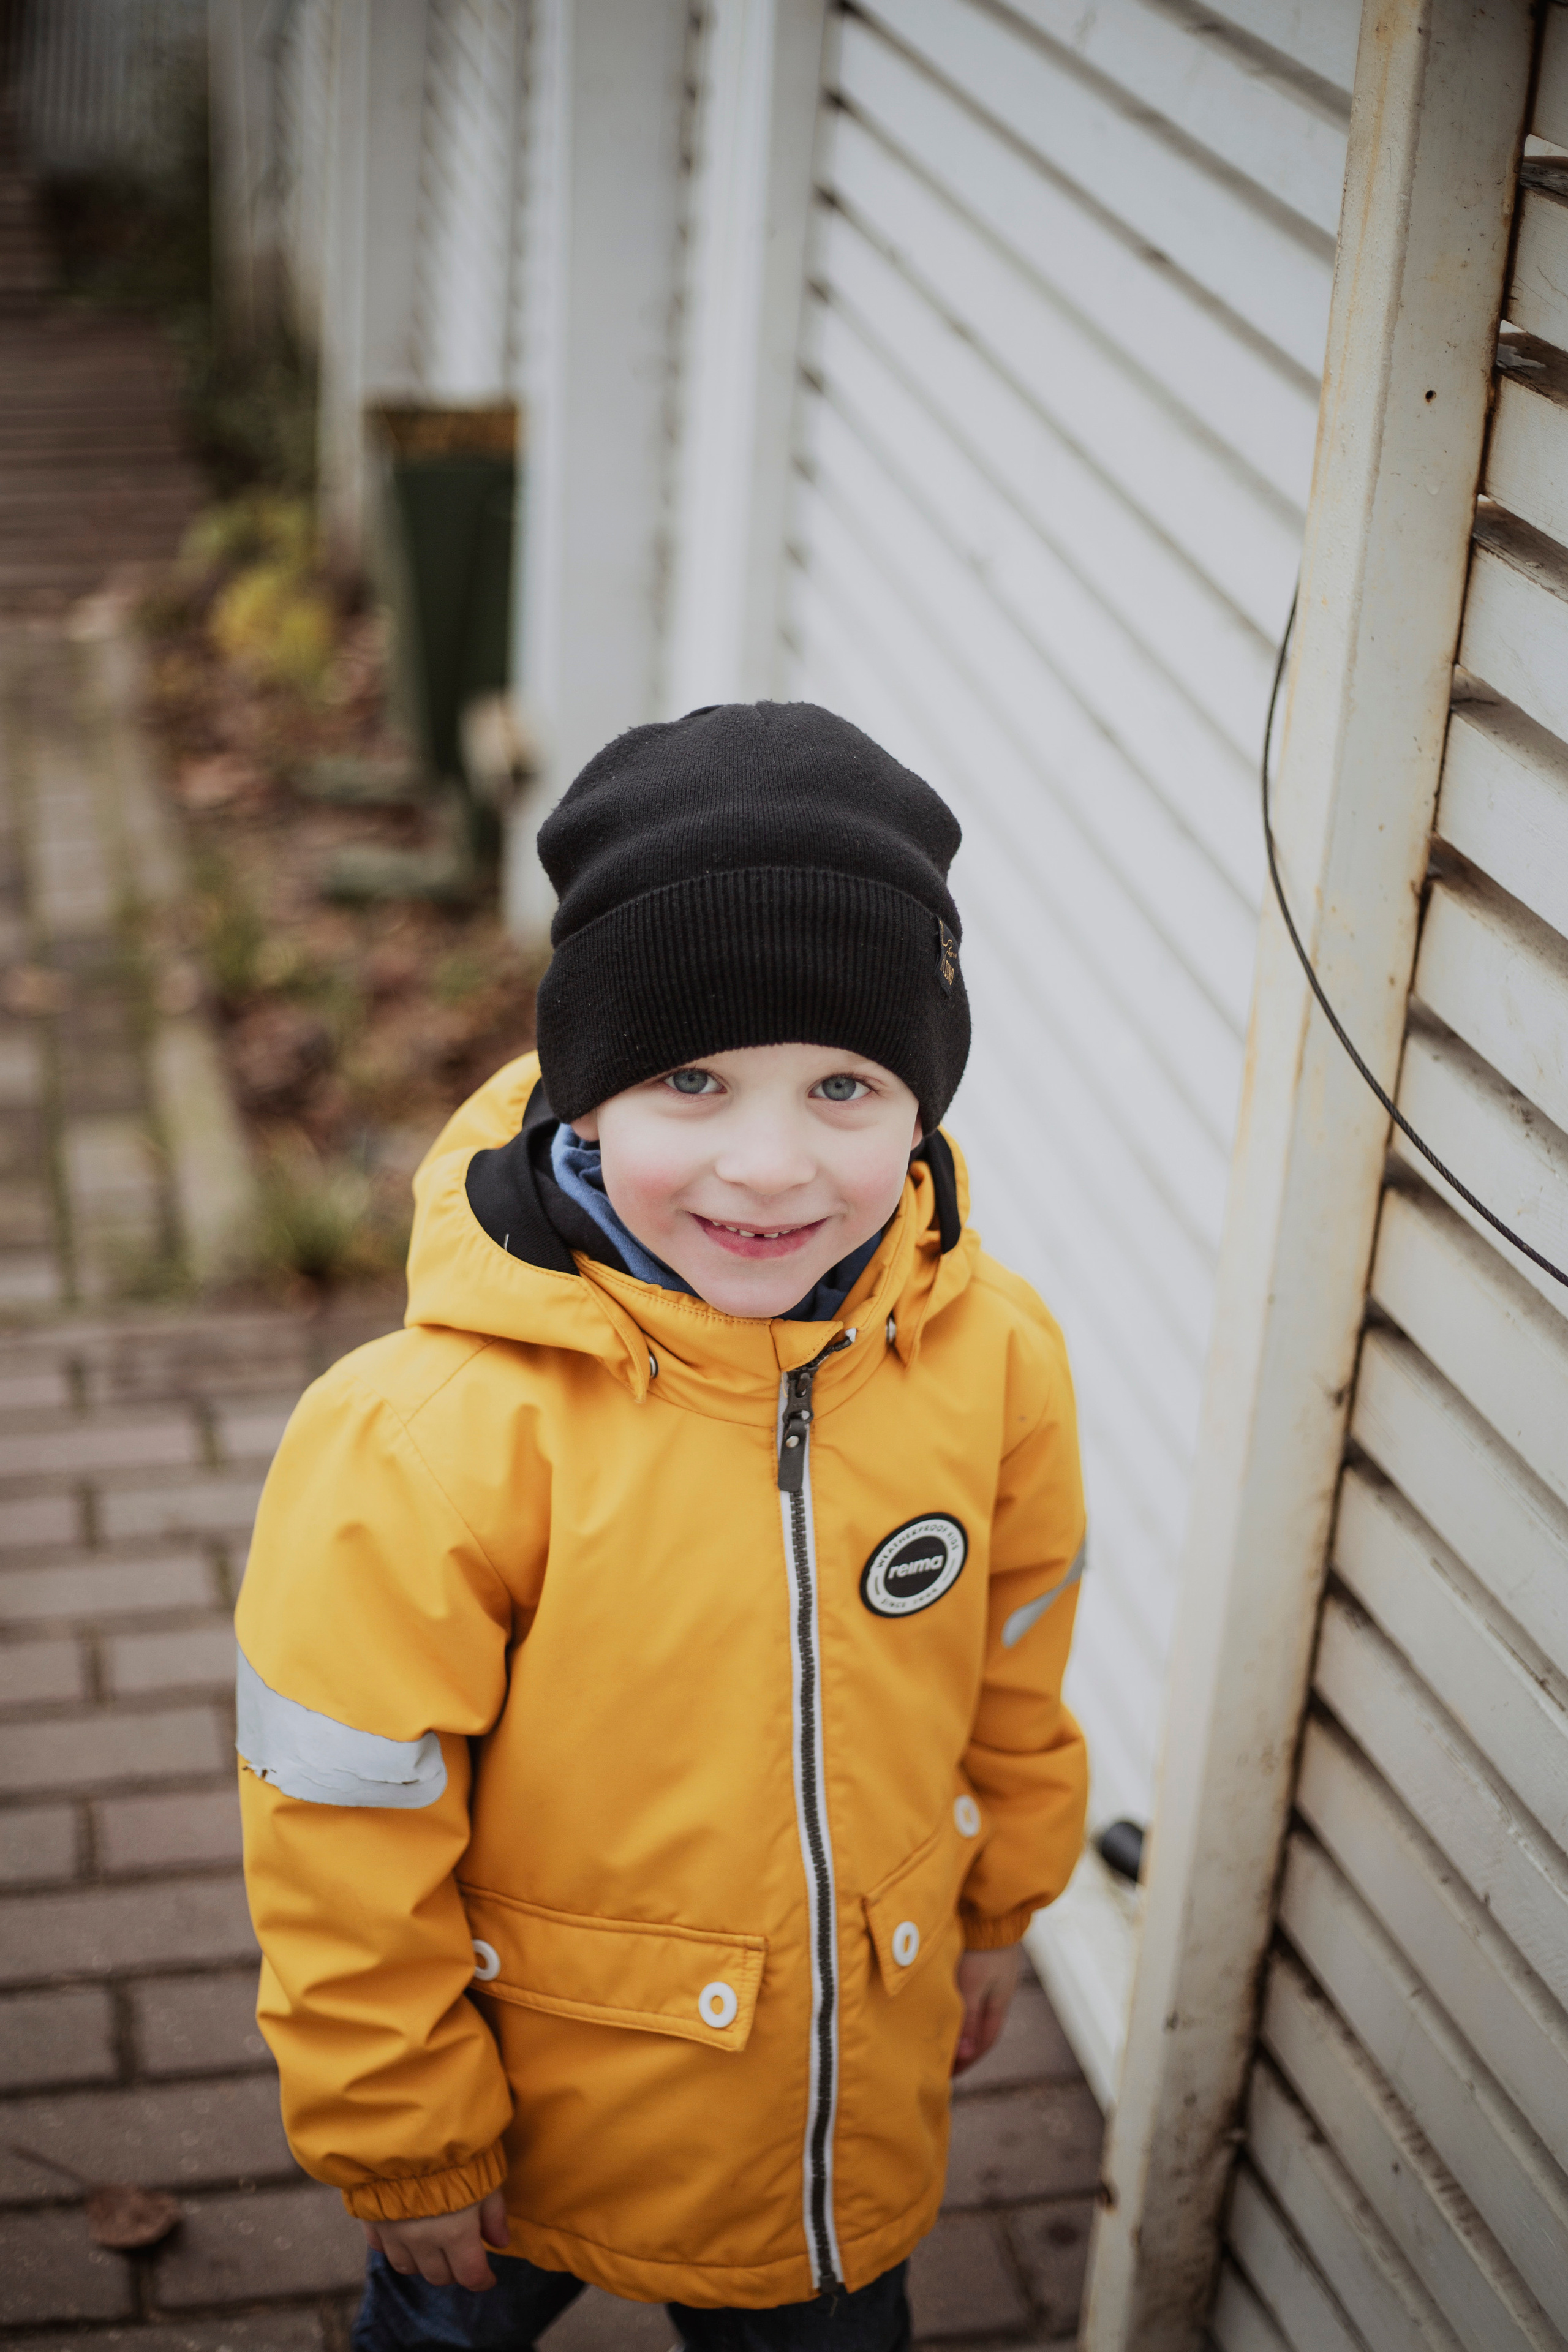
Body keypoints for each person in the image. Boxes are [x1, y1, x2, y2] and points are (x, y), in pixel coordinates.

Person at [236, 702, 1088, 2351]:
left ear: (921, 1103)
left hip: (836, 2104)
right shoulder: (430, 1434)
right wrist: (402, 2126)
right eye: (689, 1080)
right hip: (521, 2092)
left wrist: (1005, 1898)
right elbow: (341, 1807)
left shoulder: (991, 1356)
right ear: (586, 1087)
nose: (766, 1167)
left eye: (844, 1084)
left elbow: (1019, 1641)